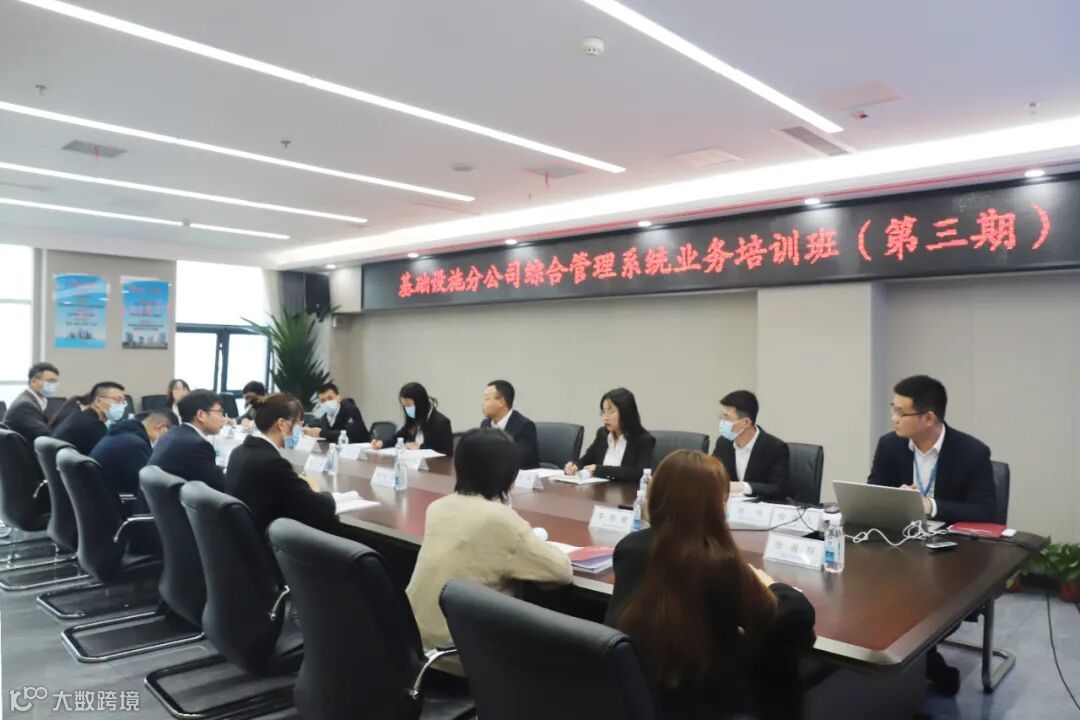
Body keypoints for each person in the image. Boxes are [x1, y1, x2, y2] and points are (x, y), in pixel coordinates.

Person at [607, 450, 816, 720]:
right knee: (780, 663)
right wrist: (769, 585)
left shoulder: (630, 547)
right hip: (703, 703)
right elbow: (786, 617)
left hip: (644, 695)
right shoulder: (716, 561)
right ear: (713, 505)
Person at [868, 374, 996, 697]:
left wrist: (930, 505)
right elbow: (873, 492)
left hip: (950, 558)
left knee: (910, 602)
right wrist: (895, 498)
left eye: (901, 412)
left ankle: (923, 664)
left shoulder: (972, 453)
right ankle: (913, 663)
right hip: (899, 553)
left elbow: (985, 512)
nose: (893, 418)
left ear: (928, 418)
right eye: (893, 409)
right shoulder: (889, 445)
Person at [406, 428, 572, 674]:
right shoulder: (500, 520)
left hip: (413, 646)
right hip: (461, 658)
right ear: (509, 477)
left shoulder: (438, 508)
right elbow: (561, 571)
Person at [224, 393, 337, 536]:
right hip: (268, 541)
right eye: (298, 424)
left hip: (242, 538)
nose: (300, 430)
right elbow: (314, 507)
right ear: (282, 424)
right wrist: (315, 489)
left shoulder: (239, 452)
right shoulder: (272, 463)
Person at [711, 390, 792, 502]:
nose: (722, 422)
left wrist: (744, 487)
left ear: (746, 423)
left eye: (727, 417)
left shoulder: (775, 448)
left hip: (759, 508)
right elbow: (713, 474)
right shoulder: (723, 443)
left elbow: (779, 488)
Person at [565, 387, 655, 483]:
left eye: (611, 412)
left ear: (626, 413)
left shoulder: (644, 440)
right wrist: (575, 466)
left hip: (626, 491)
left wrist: (600, 470)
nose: (605, 417)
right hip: (600, 490)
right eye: (604, 412)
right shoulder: (602, 435)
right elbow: (586, 460)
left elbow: (638, 473)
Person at [147, 390, 227, 489]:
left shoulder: (174, 433)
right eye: (220, 412)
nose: (223, 418)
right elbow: (218, 486)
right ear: (201, 415)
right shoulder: (197, 445)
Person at [91, 409, 177, 496]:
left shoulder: (123, 435)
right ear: (161, 427)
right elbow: (148, 485)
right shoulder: (133, 444)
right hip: (112, 499)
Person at [370, 382, 453, 455]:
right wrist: (382, 443)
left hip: (434, 466)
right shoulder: (414, 418)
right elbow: (399, 438)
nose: (406, 409)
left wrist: (420, 447)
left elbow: (446, 452)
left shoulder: (441, 422)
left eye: (409, 405)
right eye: (404, 406)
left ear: (420, 403)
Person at [51, 382, 127, 456]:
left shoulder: (79, 416)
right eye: (117, 400)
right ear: (98, 401)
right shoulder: (94, 426)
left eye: (123, 401)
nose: (121, 405)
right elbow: (105, 457)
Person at [478, 379, 539, 469]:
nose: (483, 404)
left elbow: (517, 458)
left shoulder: (525, 426)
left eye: (487, 399)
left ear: (501, 402)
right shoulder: (485, 424)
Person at [6, 362, 60, 444]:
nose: (53, 385)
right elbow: (45, 433)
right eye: (50, 381)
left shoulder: (39, 400)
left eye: (55, 382)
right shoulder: (25, 405)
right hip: (25, 450)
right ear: (33, 381)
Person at [303, 382, 371, 443]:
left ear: (339, 398)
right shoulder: (325, 417)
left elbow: (350, 434)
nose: (327, 403)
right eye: (323, 400)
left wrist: (321, 433)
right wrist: (309, 430)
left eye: (330, 398)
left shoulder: (351, 410)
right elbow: (322, 430)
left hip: (362, 450)